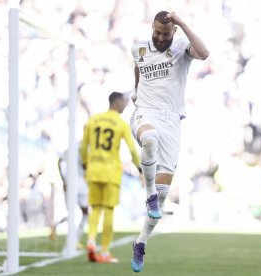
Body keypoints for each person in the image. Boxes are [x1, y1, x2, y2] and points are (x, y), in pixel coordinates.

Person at [129, 10, 209, 272]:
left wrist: (183, 23)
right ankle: (149, 195)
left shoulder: (180, 47)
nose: (160, 37)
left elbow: (204, 53)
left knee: (161, 200)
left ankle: (141, 242)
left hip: (172, 120)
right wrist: (135, 91)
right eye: (157, 32)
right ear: (151, 27)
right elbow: (138, 70)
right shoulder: (139, 47)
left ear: (173, 32)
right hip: (145, 112)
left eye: (165, 33)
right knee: (149, 138)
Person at [80, 91, 141, 263]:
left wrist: (86, 164)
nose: (125, 105)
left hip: (93, 170)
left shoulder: (93, 120)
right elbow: (131, 148)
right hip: (111, 171)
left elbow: (84, 147)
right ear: (116, 102)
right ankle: (105, 251)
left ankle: (91, 240)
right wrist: (140, 169)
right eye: (123, 102)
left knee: (95, 208)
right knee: (108, 210)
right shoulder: (120, 123)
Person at [49, 150, 89, 249]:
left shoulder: (92, 146)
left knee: (86, 213)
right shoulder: (74, 147)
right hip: (71, 184)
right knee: (72, 214)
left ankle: (75, 239)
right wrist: (64, 180)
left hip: (83, 185)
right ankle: (73, 240)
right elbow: (60, 161)